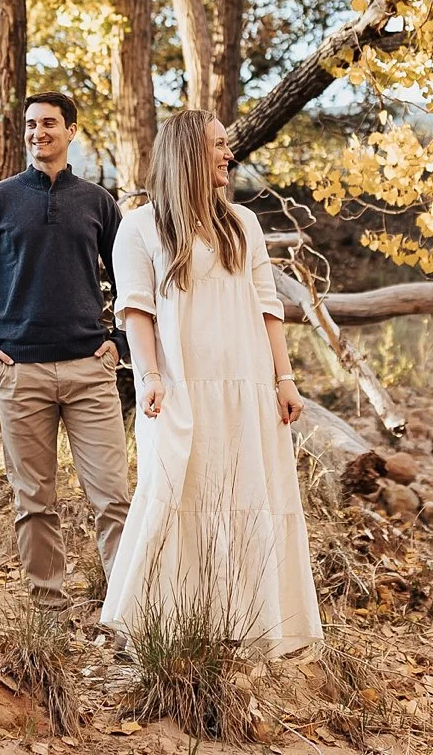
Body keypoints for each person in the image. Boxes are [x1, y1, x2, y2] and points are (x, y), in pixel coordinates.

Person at [100, 110, 323, 657]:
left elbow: (270, 307)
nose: (229, 153)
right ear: (187, 154)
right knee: (175, 494)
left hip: (247, 389)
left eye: (228, 145)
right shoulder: (140, 226)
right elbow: (136, 311)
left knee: (248, 498)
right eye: (219, 145)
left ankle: (245, 628)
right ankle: (165, 629)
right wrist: (150, 376)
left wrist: (285, 379)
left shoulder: (242, 223)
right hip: (180, 390)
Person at [0, 91, 131, 606]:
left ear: (71, 131)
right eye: (31, 125)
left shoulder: (98, 202)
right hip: (19, 372)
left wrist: (116, 342)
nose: (38, 133)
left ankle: (121, 608)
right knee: (34, 502)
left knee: (113, 499)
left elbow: (130, 282)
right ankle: (48, 610)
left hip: (89, 370)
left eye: (49, 123)